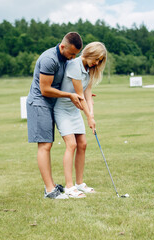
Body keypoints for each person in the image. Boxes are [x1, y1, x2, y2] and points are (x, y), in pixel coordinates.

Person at [26, 32, 84, 199]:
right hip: (39, 103)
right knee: (45, 145)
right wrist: (70, 95)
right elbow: (45, 90)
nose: (73, 58)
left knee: (48, 144)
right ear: (62, 46)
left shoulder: (67, 59)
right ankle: (50, 190)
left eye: (76, 55)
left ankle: (51, 186)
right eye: (71, 53)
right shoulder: (49, 59)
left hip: (52, 104)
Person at [54, 42, 107, 198]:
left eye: (100, 61)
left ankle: (79, 183)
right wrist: (89, 117)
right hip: (62, 109)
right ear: (89, 53)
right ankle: (69, 187)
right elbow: (79, 95)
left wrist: (92, 115)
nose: (96, 63)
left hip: (75, 109)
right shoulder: (74, 66)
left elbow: (88, 94)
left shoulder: (89, 70)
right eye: (96, 59)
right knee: (72, 144)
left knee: (82, 144)